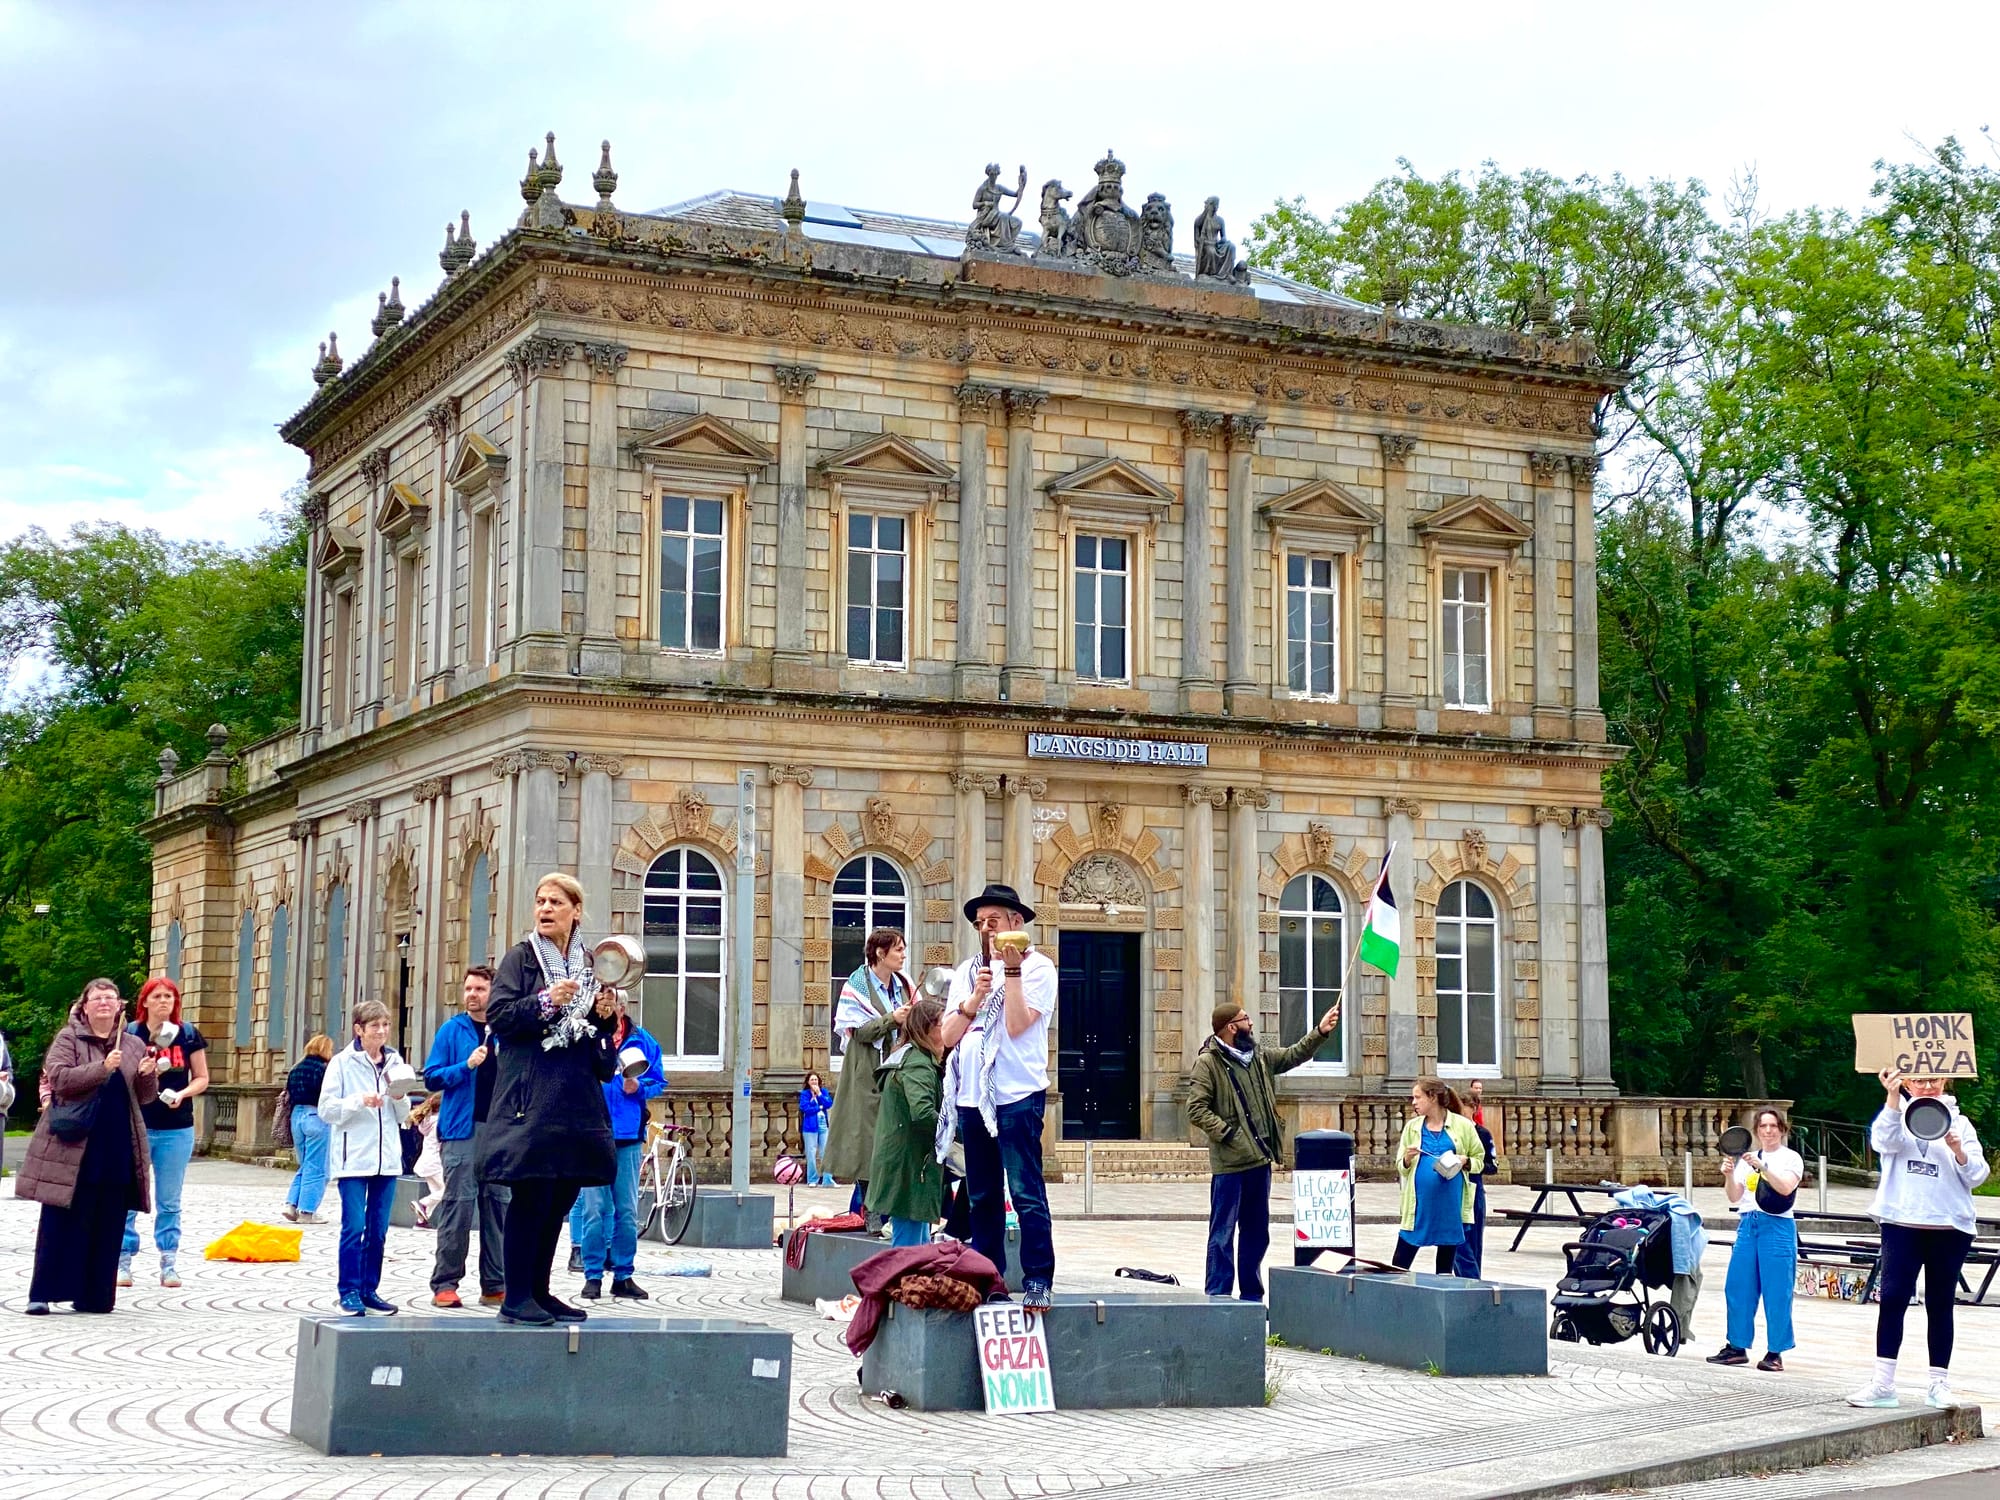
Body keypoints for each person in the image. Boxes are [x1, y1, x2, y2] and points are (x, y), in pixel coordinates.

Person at [476, 872, 618, 1327]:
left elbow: (594, 1040)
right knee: (531, 1196)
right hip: (531, 1098)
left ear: (576, 911)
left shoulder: (590, 964)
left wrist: (603, 1016)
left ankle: (539, 1291)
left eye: (555, 902)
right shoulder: (521, 958)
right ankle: (515, 1297)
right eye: (540, 901)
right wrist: (546, 1000)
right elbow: (499, 1016)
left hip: (574, 1101)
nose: (545, 909)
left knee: (559, 1198)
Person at [938, 883, 1057, 1311]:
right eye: (979, 923)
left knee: (1025, 1192)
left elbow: (1017, 1025)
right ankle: (989, 1279)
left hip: (1017, 1094)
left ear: (1015, 923)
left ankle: (1038, 1278)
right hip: (973, 1097)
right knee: (982, 1194)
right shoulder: (967, 971)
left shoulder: (1039, 967)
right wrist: (974, 998)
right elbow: (947, 1037)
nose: (986, 929)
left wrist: (1012, 974)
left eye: (993, 921)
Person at [1848, 1068, 1990, 1409]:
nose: (1927, 1086)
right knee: (1893, 1298)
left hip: (1948, 1225)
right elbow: (1883, 1142)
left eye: (1934, 1080)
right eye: (1919, 1080)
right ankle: (1883, 1383)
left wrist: (1958, 1150)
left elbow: (1977, 1175)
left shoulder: (1960, 1123)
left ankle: (1938, 1384)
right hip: (1902, 1221)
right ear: (1908, 1083)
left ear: (1945, 1082)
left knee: (1940, 1303)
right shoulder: (1896, 1116)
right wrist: (1892, 1096)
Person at [19, 979, 158, 1315]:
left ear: (120, 1006)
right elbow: (59, 1078)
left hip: (116, 1144)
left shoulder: (134, 1044)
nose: (104, 1003)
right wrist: (102, 1068)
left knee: (108, 1221)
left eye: (111, 998)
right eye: (97, 998)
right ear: (84, 1005)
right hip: (73, 1145)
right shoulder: (69, 1038)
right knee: (61, 1220)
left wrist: (147, 1075)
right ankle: (43, 1293)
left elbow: (144, 1097)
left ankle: (94, 1296)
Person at [1188, 996, 1340, 1300]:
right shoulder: (1208, 1063)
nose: (1251, 1023)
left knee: (1256, 1233)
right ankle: (1218, 1295)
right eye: (1246, 1019)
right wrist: (1229, 1134)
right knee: (1222, 1233)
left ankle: (1252, 1295)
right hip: (1230, 1164)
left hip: (1260, 1160)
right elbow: (1196, 1109)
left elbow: (1293, 1055)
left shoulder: (1257, 1056)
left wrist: (1320, 1032)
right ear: (1232, 1027)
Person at [421, 965, 509, 1309]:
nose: (472, 994)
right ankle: (445, 1283)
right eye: (468, 988)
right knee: (458, 1207)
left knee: (498, 1208)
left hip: (500, 1133)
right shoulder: (452, 1030)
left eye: (480, 989)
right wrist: (466, 1066)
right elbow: (432, 1077)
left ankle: (495, 1284)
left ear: (494, 993)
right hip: (462, 1131)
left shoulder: (506, 1031)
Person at [319, 999, 414, 1316]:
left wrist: (398, 1097)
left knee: (378, 1229)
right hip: (353, 1159)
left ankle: (369, 1289)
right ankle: (348, 1291)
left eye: (385, 1025)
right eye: (375, 1026)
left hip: (386, 1159)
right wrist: (359, 1100)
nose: (382, 1031)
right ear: (359, 1030)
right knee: (354, 1226)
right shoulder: (341, 1063)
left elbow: (402, 1114)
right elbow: (327, 1110)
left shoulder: (395, 1062)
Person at [571, 985, 665, 1302]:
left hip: (627, 1136)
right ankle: (592, 1275)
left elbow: (658, 1081)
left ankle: (623, 1275)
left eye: (611, 1002)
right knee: (594, 1210)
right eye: (602, 1001)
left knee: (626, 1210)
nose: (607, 1006)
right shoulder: (585, 1036)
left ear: (622, 1007)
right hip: (592, 1134)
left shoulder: (643, 1040)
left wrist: (639, 1086)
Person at [118, 977, 207, 1289]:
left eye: (169, 996)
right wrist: (143, 1073)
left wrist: (182, 1093)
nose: (163, 1001)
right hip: (137, 1124)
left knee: (169, 1200)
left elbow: (202, 1077)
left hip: (176, 1127)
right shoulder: (131, 1034)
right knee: (129, 1196)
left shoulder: (187, 1033)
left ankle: (169, 1262)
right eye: (157, 996)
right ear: (145, 1001)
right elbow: (118, 1077)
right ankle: (122, 1261)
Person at [824, 928, 913, 1216]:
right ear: (880, 953)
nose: (903, 955)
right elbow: (859, 1031)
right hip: (866, 1075)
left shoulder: (903, 984)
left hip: (898, 1073)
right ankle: (866, 1214)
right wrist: (892, 1019)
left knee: (890, 1145)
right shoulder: (857, 984)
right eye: (898, 949)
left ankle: (871, 1213)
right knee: (867, 1146)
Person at [1707, 1106, 1802, 1371]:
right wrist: (1729, 1174)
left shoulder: (1790, 1158)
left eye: (1773, 1126)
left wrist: (1762, 1168)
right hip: (1749, 1224)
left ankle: (1776, 1351)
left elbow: (1785, 1188)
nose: (1768, 1131)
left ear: (1782, 1129)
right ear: (1757, 1131)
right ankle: (1736, 1346)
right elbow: (1734, 1196)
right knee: (1738, 1286)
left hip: (1777, 1225)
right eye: (1763, 1126)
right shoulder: (1746, 1159)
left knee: (1777, 1291)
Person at [866, 996, 947, 1246]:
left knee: (917, 1246)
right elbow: (922, 1112)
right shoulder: (918, 1065)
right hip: (909, 1168)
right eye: (943, 1024)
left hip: (906, 1163)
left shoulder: (909, 1057)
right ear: (926, 1029)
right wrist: (953, 1132)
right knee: (908, 1250)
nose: (948, 1029)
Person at [1393, 1077, 1484, 1274]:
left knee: (1444, 1267)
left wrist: (1465, 1161)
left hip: (1450, 1205)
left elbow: (1480, 1161)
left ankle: (1443, 1291)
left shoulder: (1463, 1125)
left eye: (1418, 1097)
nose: (1414, 1102)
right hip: (1419, 1205)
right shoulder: (1412, 1127)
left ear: (1432, 1097)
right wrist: (1407, 1158)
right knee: (1399, 1263)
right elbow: (1401, 1166)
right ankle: (1394, 1291)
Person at [281, 1035, 336, 1224]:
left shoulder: (295, 1069)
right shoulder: (324, 1070)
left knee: (305, 1164)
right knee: (317, 1167)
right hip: (316, 1116)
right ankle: (307, 1211)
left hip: (296, 1116)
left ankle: (291, 1204)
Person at [1453, 1077, 1499, 1279]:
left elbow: (1492, 1166)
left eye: (1465, 1107)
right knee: (1455, 1239)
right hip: (1452, 1188)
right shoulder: (1450, 1131)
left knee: (1473, 1240)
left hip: (1473, 1188)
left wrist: (1469, 1163)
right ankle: (1466, 1279)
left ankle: (1473, 1280)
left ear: (1474, 1108)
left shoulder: (1482, 1133)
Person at [409, 1094, 444, 1225]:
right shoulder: (439, 1122)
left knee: (436, 1192)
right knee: (448, 1191)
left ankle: (422, 1221)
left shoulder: (428, 1121)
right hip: (435, 1163)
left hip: (426, 1161)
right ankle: (422, 1203)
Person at [799, 1071, 835, 1187]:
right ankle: (812, 1179)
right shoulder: (805, 1094)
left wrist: (819, 1094)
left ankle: (828, 1179)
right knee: (811, 1153)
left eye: (816, 1079)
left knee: (825, 1153)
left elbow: (828, 1103)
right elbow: (805, 1108)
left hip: (823, 1124)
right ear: (808, 1082)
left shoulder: (823, 1092)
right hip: (810, 1126)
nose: (814, 1082)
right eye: (812, 1080)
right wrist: (819, 1107)